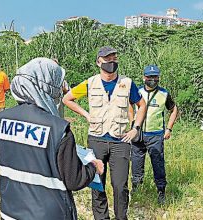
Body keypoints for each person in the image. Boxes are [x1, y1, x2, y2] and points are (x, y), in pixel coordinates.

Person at [0, 58, 104, 220]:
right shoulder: (58, 129)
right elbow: (74, 180)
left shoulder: (2, 119)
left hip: (11, 210)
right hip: (49, 213)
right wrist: (94, 167)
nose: (60, 89)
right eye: (59, 83)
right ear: (48, 86)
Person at [63, 46, 147, 220]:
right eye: (107, 59)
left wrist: (135, 128)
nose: (111, 62)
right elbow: (67, 99)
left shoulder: (128, 83)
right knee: (97, 184)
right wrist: (86, 114)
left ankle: (121, 217)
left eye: (114, 58)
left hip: (120, 140)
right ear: (98, 62)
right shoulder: (90, 82)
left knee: (120, 185)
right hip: (96, 139)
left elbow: (142, 105)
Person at [129, 64, 178, 204]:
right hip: (138, 134)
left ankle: (161, 191)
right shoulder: (137, 91)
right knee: (136, 163)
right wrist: (131, 122)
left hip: (155, 135)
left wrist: (169, 129)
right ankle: (136, 189)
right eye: (150, 77)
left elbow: (174, 109)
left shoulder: (164, 94)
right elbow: (129, 106)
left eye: (155, 77)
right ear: (144, 77)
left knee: (158, 163)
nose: (152, 79)